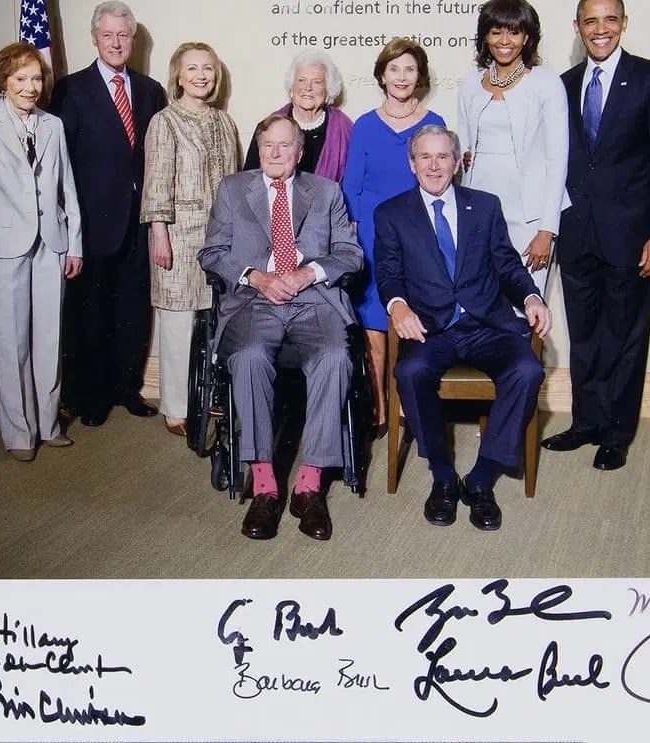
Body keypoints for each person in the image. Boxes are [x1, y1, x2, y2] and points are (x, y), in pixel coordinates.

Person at [374, 125, 550, 531]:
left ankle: (482, 478)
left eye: (442, 157)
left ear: (456, 163)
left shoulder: (484, 206)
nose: (434, 166)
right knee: (409, 371)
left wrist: (530, 297)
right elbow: (388, 273)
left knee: (527, 371)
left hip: (486, 325)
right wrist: (398, 306)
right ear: (412, 164)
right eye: (425, 158)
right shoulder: (392, 213)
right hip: (431, 330)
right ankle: (442, 474)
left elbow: (507, 265)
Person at [198, 114, 363, 542]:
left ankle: (309, 485)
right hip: (256, 299)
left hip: (313, 301)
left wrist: (308, 274)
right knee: (250, 356)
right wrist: (256, 276)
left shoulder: (325, 192)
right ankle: (265, 485)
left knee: (335, 357)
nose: (275, 153)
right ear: (259, 148)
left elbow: (350, 253)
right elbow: (213, 252)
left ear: (299, 151)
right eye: (267, 144)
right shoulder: (234, 190)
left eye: (284, 146)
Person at [542, 0, 650, 471]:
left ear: (624, 23)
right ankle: (586, 424)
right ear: (577, 26)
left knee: (624, 336)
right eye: (590, 21)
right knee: (584, 336)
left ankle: (617, 433)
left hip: (632, 236)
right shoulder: (562, 83)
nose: (600, 29)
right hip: (576, 232)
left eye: (609, 20)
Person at [50, 0, 166, 427]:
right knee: (90, 311)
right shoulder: (70, 89)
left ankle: (126, 388)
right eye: (108, 35)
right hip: (91, 223)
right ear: (95, 37)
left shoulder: (151, 90)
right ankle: (90, 395)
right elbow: (61, 162)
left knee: (133, 310)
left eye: (124, 36)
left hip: (138, 222)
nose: (116, 43)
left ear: (132, 41)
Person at [0, 42, 83, 461]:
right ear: (3, 82)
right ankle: (19, 433)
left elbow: (66, 187)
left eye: (37, 78)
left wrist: (75, 243)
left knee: (49, 338)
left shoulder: (52, 125)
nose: (30, 86)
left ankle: (48, 424)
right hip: (4, 245)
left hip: (51, 243)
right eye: (20, 78)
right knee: (10, 341)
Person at [342, 38, 445, 430]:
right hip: (370, 234)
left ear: (420, 77)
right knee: (372, 318)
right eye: (394, 69)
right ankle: (379, 408)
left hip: (417, 233)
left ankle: (408, 404)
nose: (402, 77)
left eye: (410, 70)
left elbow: (441, 182)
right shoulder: (366, 125)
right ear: (382, 75)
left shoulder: (434, 124)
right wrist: (351, 237)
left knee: (411, 313)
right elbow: (351, 186)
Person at [141, 42, 240, 437]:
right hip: (179, 235)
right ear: (177, 75)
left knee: (213, 319)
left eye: (208, 69)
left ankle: (207, 396)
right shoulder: (165, 121)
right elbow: (156, 184)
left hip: (218, 236)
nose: (201, 76)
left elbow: (234, 184)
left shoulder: (224, 122)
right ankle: (176, 408)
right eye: (193, 69)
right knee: (179, 321)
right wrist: (159, 234)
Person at [456, 0, 569, 295]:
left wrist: (547, 230)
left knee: (525, 306)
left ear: (527, 37)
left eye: (514, 31)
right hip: (479, 210)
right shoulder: (470, 84)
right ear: (485, 37)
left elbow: (557, 161)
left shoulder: (546, 84)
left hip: (529, 216)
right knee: (480, 300)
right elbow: (465, 151)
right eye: (496, 32)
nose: (504, 40)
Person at [242, 49, 353, 181]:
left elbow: (352, 183)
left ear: (328, 90)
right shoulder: (268, 127)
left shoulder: (345, 129)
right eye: (301, 80)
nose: (307, 87)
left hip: (329, 202)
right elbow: (248, 181)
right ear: (291, 88)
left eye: (317, 82)